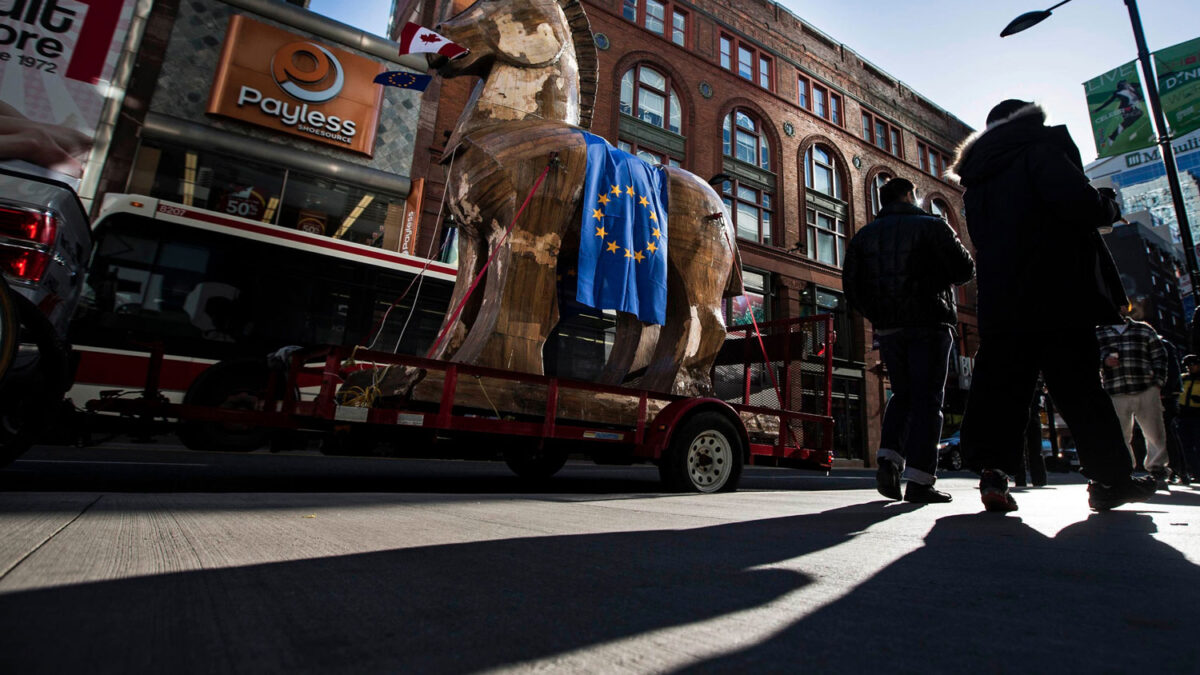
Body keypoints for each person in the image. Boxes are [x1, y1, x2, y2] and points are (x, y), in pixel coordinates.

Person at [950, 99, 1156, 512]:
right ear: (1030, 119)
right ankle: (1110, 480)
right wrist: (1107, 204)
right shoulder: (1039, 149)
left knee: (1002, 388)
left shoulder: (977, 177)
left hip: (1002, 299)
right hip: (1056, 290)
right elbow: (1078, 204)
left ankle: (993, 473)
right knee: (1080, 388)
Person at [843, 177, 975, 504]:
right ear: (907, 195)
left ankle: (888, 461)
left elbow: (852, 287)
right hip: (930, 322)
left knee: (901, 394)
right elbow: (964, 269)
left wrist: (878, 313)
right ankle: (920, 480)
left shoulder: (864, 236)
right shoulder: (933, 225)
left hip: (890, 327)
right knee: (929, 400)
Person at [1096, 307, 1170, 487]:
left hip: (1145, 386)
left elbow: (1160, 355)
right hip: (1115, 388)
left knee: (1154, 431)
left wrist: (1158, 382)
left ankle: (1157, 469)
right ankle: (1124, 469)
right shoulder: (1099, 333)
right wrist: (1104, 361)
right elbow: (1090, 358)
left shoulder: (1143, 329)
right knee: (1120, 433)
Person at [1159, 338, 1189, 485]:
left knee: (1168, 433)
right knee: (1166, 433)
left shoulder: (1164, 344)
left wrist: (1167, 391)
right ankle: (1178, 471)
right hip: (1162, 394)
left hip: (1166, 396)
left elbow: (1173, 370)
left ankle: (1178, 470)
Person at [1091, 80, 1145, 153]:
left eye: (1127, 83)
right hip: (1125, 109)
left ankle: (1113, 136)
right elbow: (1109, 101)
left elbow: (1144, 82)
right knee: (1132, 118)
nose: (1127, 84)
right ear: (1122, 85)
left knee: (1135, 116)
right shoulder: (1118, 92)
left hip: (1133, 107)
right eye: (1125, 84)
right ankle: (1114, 135)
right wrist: (1097, 110)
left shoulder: (1132, 86)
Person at [1175, 354, 1200, 483]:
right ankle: (1190, 471)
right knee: (1185, 446)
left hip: (1198, 416)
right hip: (1184, 416)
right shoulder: (1183, 379)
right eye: (1187, 365)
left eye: (1193, 364)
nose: (1190, 368)